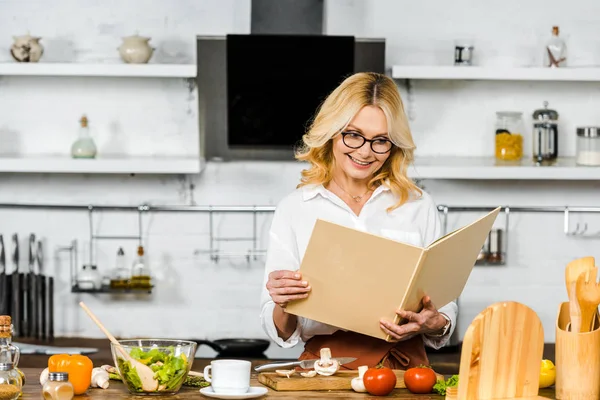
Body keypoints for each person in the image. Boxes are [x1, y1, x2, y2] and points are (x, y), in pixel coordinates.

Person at [259, 72, 457, 370]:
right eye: (353, 135)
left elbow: (443, 307)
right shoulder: (295, 209)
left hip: (407, 368)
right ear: (332, 132)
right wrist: (282, 302)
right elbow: (281, 331)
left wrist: (435, 321)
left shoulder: (418, 205)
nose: (365, 152)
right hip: (327, 368)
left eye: (380, 141)